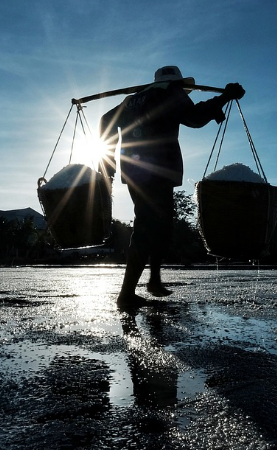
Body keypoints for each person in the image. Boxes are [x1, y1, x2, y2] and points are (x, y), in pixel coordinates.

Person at [100, 66, 245, 308]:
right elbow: (194, 117)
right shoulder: (171, 93)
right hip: (157, 171)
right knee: (150, 226)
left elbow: (106, 121)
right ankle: (127, 294)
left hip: (134, 171)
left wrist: (109, 165)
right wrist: (224, 97)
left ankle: (153, 280)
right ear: (177, 83)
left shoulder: (134, 100)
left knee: (158, 224)